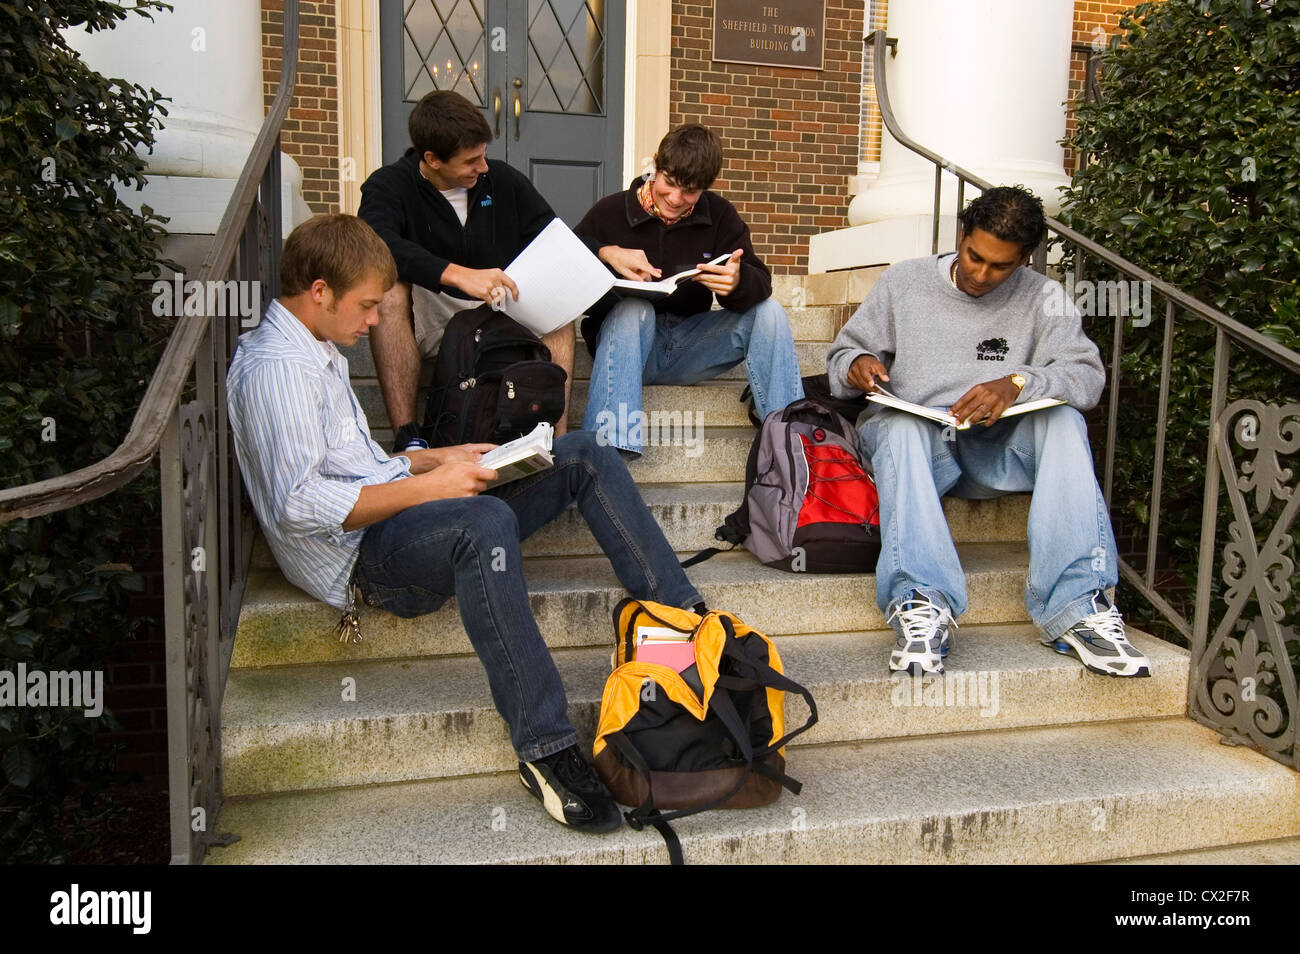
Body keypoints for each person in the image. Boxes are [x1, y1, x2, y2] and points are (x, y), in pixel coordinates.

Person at [227, 214, 707, 833]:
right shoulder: (277, 368)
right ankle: (545, 746)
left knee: (583, 451)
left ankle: (686, 625)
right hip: (360, 559)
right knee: (482, 523)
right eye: (368, 307)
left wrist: (435, 458)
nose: (375, 321)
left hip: (398, 502)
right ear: (319, 290)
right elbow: (300, 505)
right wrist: (432, 487)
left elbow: (352, 465)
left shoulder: (315, 345)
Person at [826, 186, 1150, 678]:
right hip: (920, 449)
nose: (980, 274)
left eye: (999, 267)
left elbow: (1087, 377)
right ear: (962, 235)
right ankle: (921, 600)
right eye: (974, 256)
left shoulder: (1045, 298)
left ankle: (1078, 607)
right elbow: (842, 356)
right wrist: (858, 364)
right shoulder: (904, 282)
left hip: (996, 452)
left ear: (1024, 259)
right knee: (896, 424)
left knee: (1064, 418)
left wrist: (1018, 382)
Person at [357, 90, 573, 453]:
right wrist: (455, 274)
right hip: (436, 310)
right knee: (390, 291)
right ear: (432, 159)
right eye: (471, 161)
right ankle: (409, 438)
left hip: (503, 307)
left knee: (562, 316)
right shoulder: (388, 185)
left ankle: (555, 439)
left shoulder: (503, 180)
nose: (483, 167)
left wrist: (600, 251)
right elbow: (376, 244)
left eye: (484, 155)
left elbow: (552, 235)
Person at [574, 124, 804, 455]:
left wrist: (737, 283)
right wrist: (604, 253)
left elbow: (760, 279)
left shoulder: (721, 215)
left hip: (689, 346)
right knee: (634, 309)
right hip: (626, 346)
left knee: (767, 313)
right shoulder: (610, 212)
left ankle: (790, 448)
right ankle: (605, 452)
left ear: (706, 188)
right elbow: (566, 258)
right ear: (655, 165)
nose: (676, 199)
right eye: (669, 184)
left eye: (691, 192)